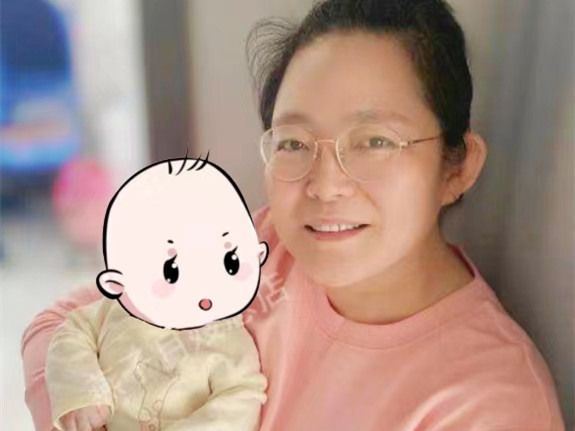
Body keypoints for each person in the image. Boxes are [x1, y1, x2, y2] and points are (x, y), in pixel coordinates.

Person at [22, 0, 566, 430]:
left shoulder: (490, 404)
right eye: (293, 143)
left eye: (375, 140)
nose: (324, 185)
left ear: (458, 166)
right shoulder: (248, 247)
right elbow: (57, 326)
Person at [44, 158, 269, 431]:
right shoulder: (110, 313)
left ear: (256, 256)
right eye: (171, 271)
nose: (201, 288)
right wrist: (82, 395)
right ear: (117, 282)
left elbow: (240, 402)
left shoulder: (229, 340)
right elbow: (69, 335)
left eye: (229, 263)